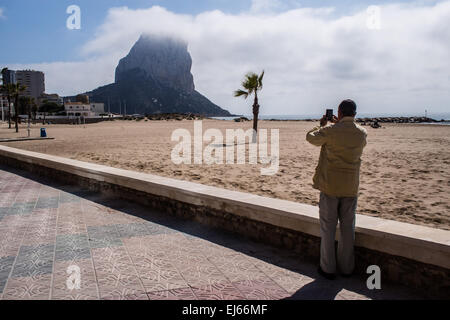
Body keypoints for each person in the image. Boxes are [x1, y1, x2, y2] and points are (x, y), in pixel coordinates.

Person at [306, 99, 367, 280]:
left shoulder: (330, 131)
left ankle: (328, 268)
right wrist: (338, 125)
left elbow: (311, 138)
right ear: (354, 114)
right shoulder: (362, 134)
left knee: (328, 229)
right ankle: (347, 268)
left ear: (339, 113)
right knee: (348, 229)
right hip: (350, 187)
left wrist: (322, 124)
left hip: (330, 186)